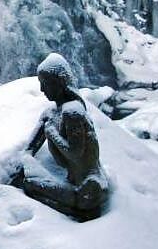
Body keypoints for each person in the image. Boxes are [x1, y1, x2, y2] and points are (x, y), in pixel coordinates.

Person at [21, 53, 109, 221]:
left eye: (45, 84)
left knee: (30, 185)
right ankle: (76, 209)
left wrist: (51, 133)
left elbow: (75, 154)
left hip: (89, 190)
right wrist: (24, 159)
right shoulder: (51, 114)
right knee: (30, 183)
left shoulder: (72, 112)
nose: (41, 89)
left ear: (60, 84)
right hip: (78, 185)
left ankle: (78, 213)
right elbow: (28, 149)